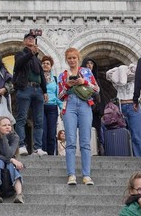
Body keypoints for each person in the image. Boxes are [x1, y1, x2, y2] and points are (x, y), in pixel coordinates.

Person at [58, 47, 99, 186]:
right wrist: (67, 86)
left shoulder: (86, 72)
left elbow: (97, 89)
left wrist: (84, 82)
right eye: (69, 58)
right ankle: (71, 175)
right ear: (66, 60)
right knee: (70, 141)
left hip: (85, 105)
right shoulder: (62, 75)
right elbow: (59, 96)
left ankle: (86, 175)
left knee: (85, 141)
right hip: (69, 105)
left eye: (74, 58)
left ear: (78, 58)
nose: (72, 60)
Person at [12, 31, 47, 156]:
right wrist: (30, 54)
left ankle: (38, 147)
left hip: (38, 90)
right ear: (24, 41)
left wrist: (45, 91)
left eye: (33, 38)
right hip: (25, 88)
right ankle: (21, 145)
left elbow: (41, 75)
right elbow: (18, 65)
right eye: (28, 38)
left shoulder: (37, 59)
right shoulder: (20, 54)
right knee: (21, 118)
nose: (31, 39)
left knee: (39, 120)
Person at [107, 62, 141, 158]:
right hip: (120, 107)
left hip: (134, 106)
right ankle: (124, 156)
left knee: (136, 135)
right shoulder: (117, 81)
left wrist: (130, 68)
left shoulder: (136, 79)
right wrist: (119, 70)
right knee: (121, 135)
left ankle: (139, 158)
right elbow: (108, 74)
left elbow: (139, 69)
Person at [0, 117, 24, 203]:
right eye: (4, 125)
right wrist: (12, 160)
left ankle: (19, 194)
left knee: (10, 165)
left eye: (9, 125)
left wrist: (4, 138)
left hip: (10, 166)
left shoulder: (15, 137)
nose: (8, 127)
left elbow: (9, 154)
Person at [42, 55, 61, 155]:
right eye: (44, 63)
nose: (45, 65)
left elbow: (57, 94)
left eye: (48, 63)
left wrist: (62, 108)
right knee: (42, 131)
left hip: (52, 107)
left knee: (52, 132)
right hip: (40, 106)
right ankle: (43, 152)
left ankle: (50, 154)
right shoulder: (38, 77)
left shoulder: (55, 78)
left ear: (51, 66)